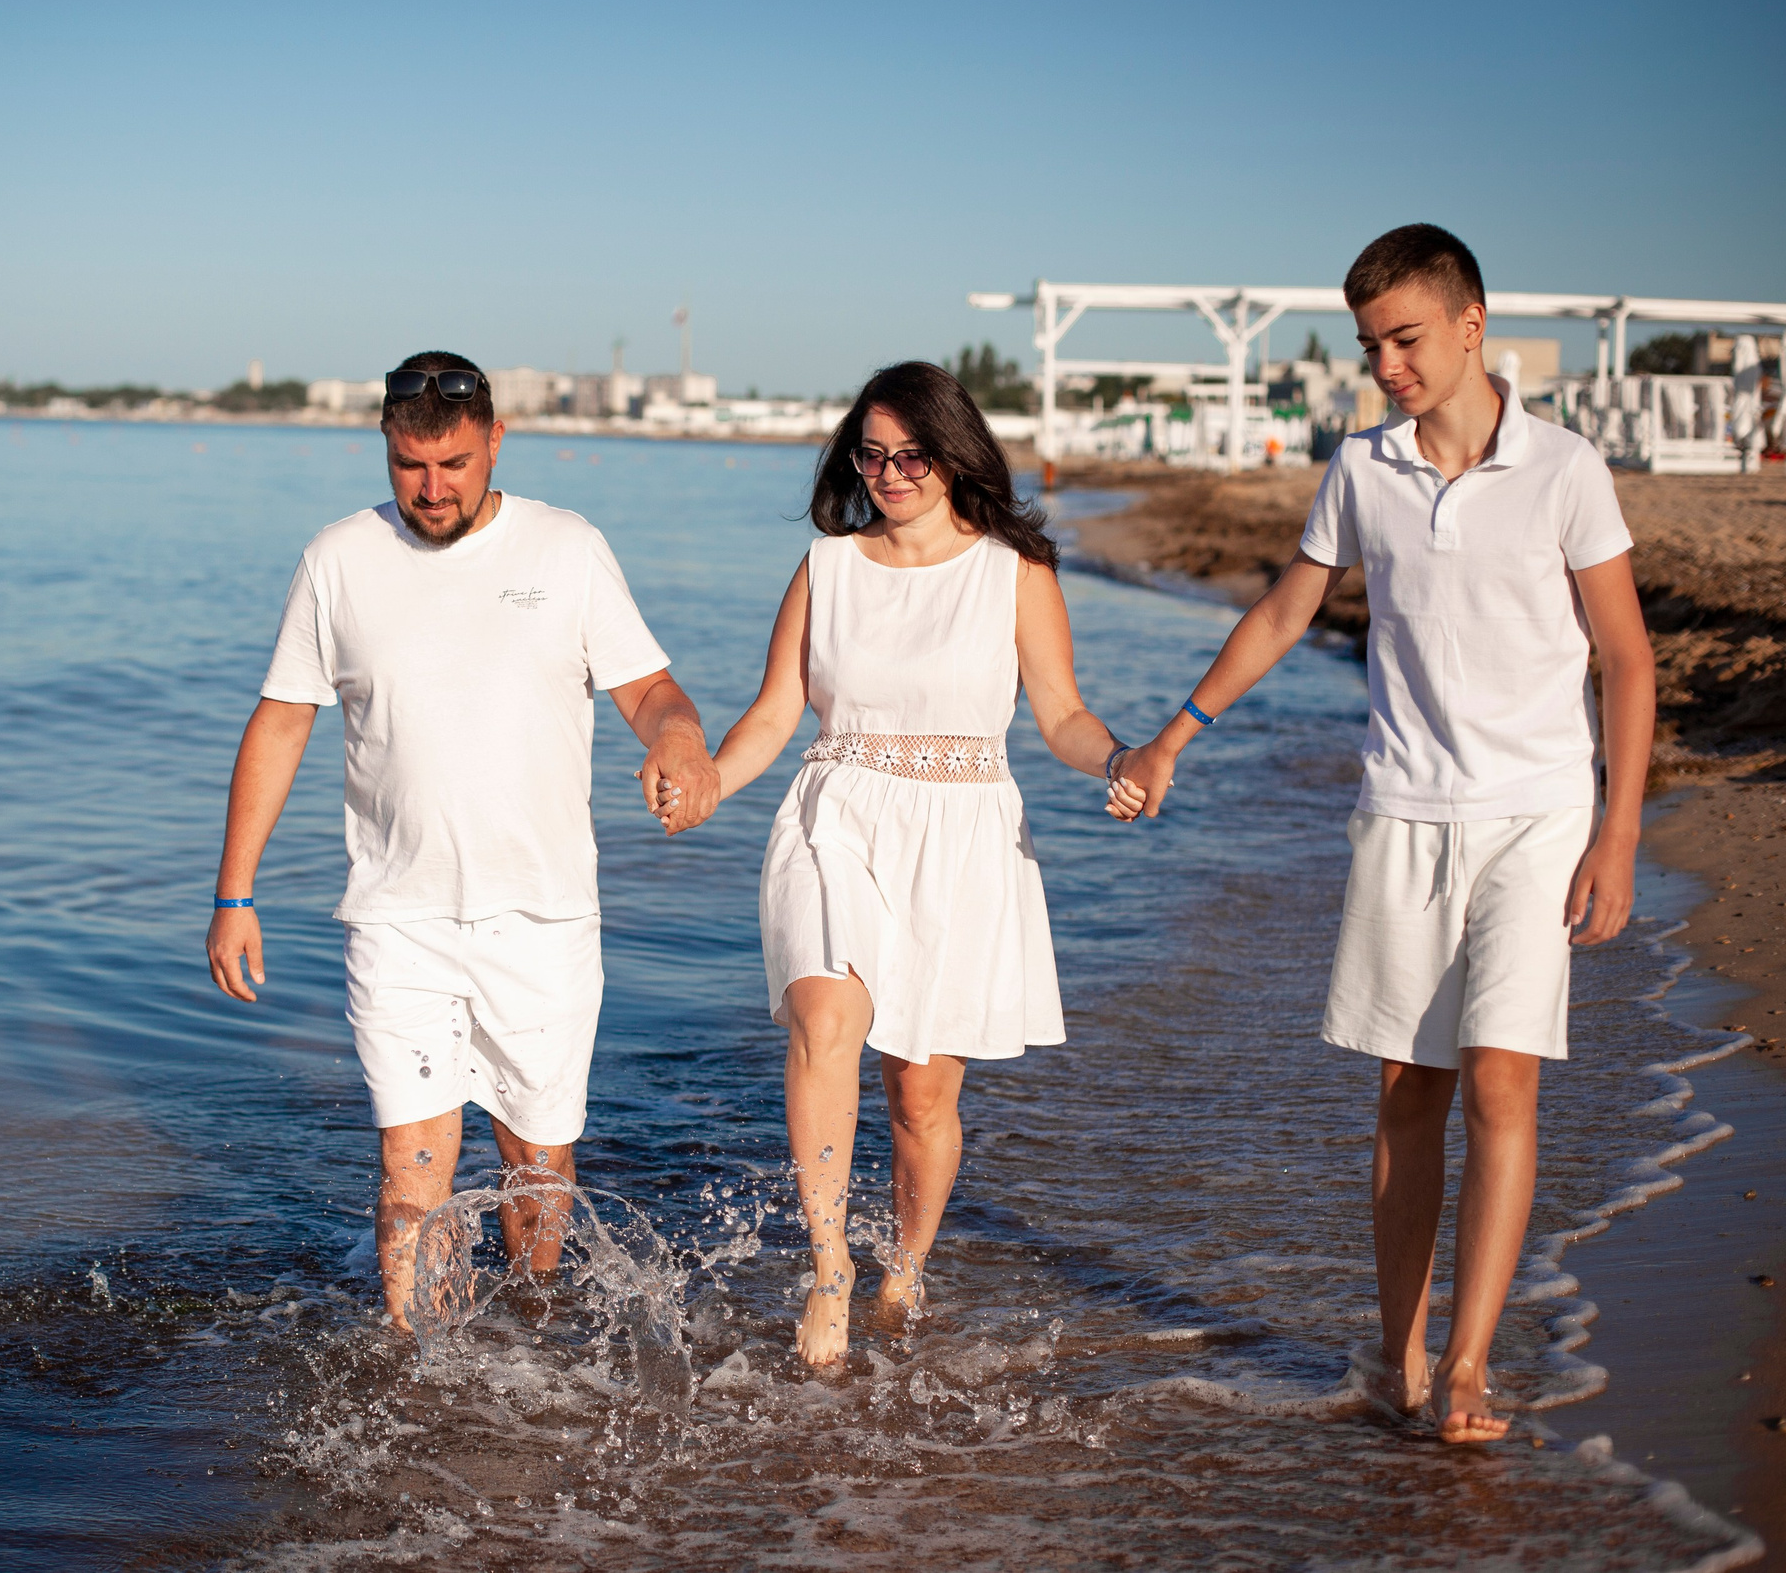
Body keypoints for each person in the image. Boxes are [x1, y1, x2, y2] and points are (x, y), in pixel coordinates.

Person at [1114, 224, 1656, 1444]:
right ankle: (1400, 1356)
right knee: (1410, 1089)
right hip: (1404, 809)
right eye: (1370, 346)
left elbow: (1625, 657)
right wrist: (1171, 738)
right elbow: (1282, 608)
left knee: (1501, 1079)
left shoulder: (1566, 470)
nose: (1387, 365)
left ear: (1473, 324)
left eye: (1405, 338)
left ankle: (1468, 1364)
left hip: (1536, 812)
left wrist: (1615, 835)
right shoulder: (1361, 469)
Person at [204, 350, 723, 1332]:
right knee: (411, 1161)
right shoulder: (337, 560)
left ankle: (532, 1330)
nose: (432, 489)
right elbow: (280, 721)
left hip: (542, 916)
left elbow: (650, 690)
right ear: (386, 449)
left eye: (453, 464)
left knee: (536, 1164)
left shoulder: (565, 550)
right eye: (409, 466)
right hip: (398, 916)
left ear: (494, 442)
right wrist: (235, 895)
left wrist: (681, 741)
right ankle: (417, 1364)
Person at [711, 361, 1145, 1367]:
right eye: (871, 454)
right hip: (838, 813)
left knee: (919, 1094)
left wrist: (1118, 759)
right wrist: (704, 785)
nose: (889, 473)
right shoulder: (828, 568)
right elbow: (776, 713)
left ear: (954, 456)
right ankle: (828, 1268)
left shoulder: (1012, 569)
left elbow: (1062, 714)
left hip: (961, 835)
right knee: (827, 1020)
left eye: (910, 455)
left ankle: (906, 1265)